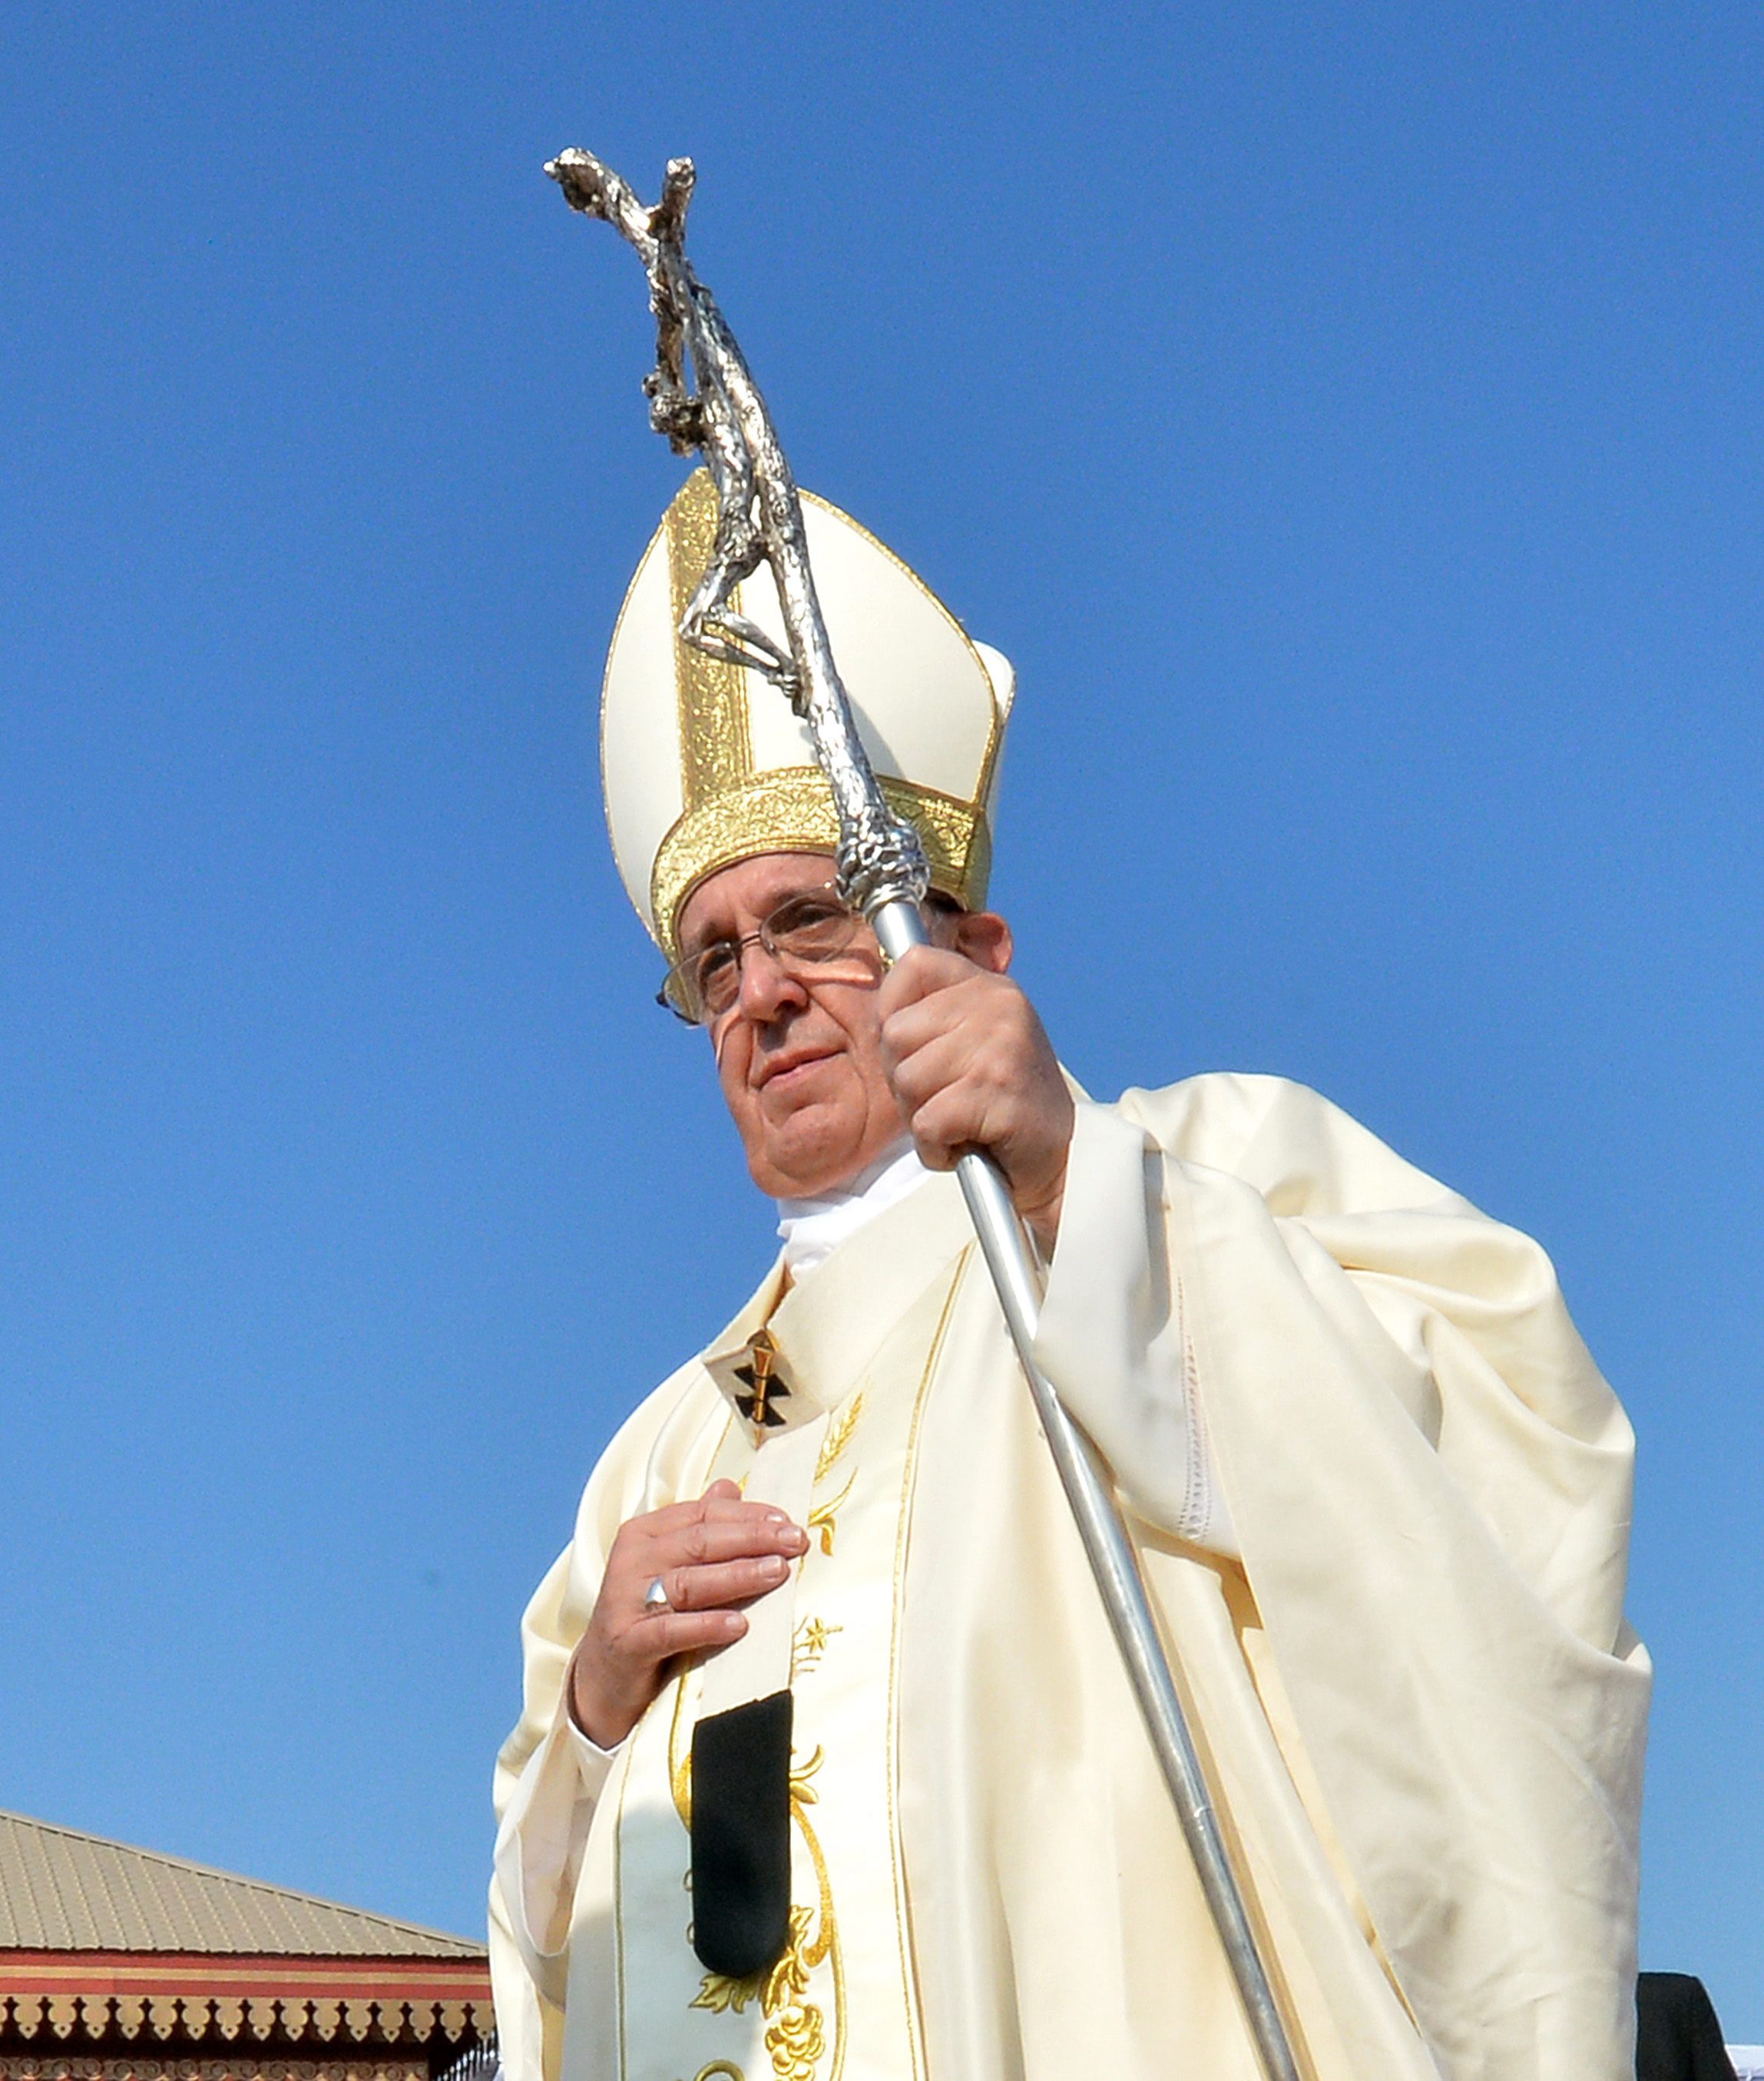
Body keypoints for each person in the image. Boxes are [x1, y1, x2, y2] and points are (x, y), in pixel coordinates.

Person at [488, 474, 1647, 2081]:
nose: (759, 993)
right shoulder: (660, 1452)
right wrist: (599, 1711)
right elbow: (543, 1941)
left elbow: (1499, 1480)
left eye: (811, 917)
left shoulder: (1196, 1177)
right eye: (712, 959)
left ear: (978, 953)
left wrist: (1064, 1179)